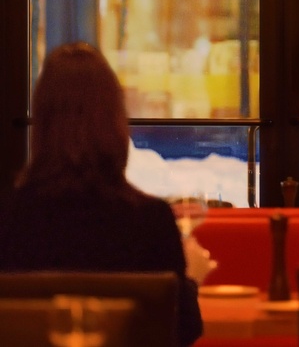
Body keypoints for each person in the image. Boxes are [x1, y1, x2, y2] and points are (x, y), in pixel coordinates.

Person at [0, 42, 210, 346]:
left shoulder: (7, 218)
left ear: (42, 126)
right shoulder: (150, 222)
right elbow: (182, 331)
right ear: (115, 122)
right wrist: (191, 280)